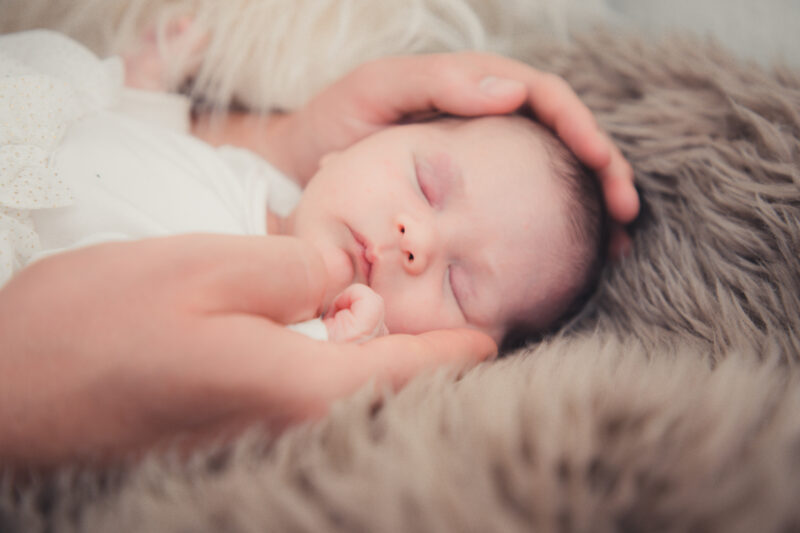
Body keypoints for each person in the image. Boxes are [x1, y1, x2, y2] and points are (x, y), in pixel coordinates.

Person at [0, 31, 638, 467]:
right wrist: (145, 90)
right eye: (426, 184)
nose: (417, 240)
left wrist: (340, 342)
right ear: (350, 147)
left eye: (458, 284)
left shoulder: (293, 335)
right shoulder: (270, 178)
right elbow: (164, 152)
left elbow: (264, 379)